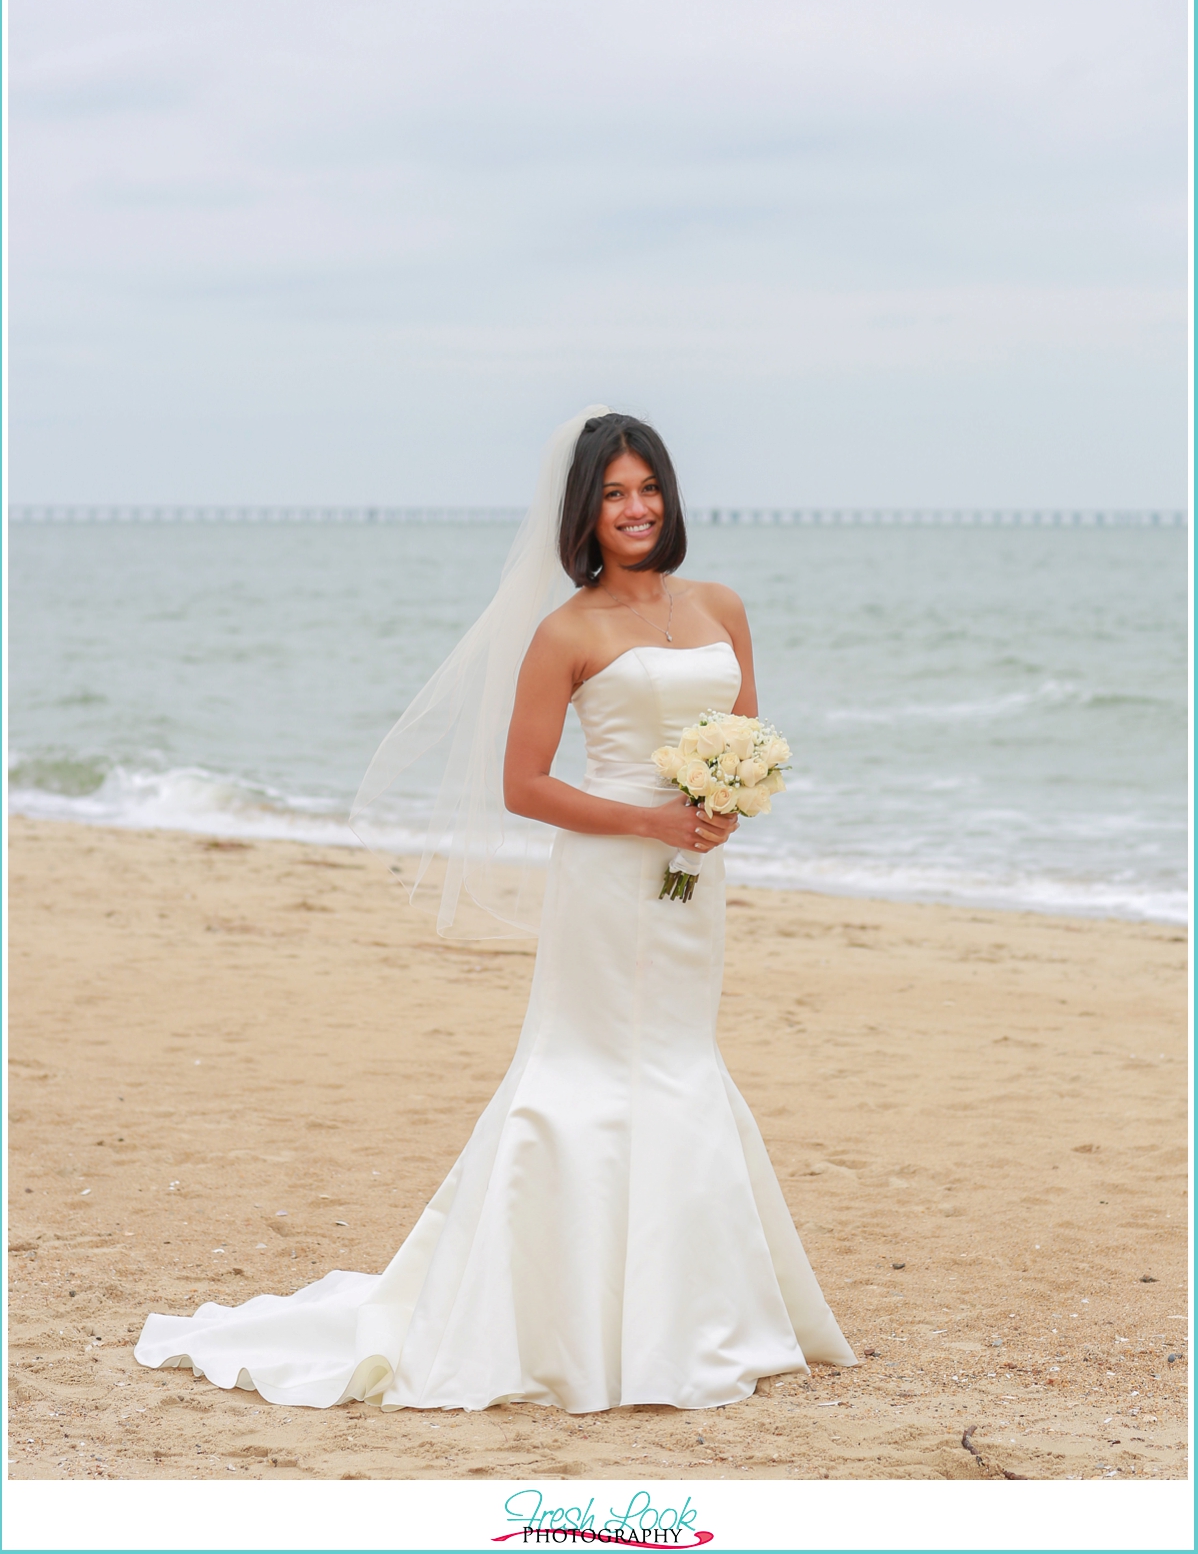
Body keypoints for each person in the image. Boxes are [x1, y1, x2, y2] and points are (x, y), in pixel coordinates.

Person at [134, 408, 854, 1411]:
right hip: (607, 879)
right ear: (585, 512)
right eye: (614, 494)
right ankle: (572, 1323)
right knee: (591, 1069)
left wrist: (725, 799)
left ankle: (693, 1312)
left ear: (671, 496)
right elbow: (523, 784)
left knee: (683, 1060)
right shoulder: (566, 630)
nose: (636, 508)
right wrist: (647, 824)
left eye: (648, 488)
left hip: (695, 883)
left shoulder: (723, 605)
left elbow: (744, 734)